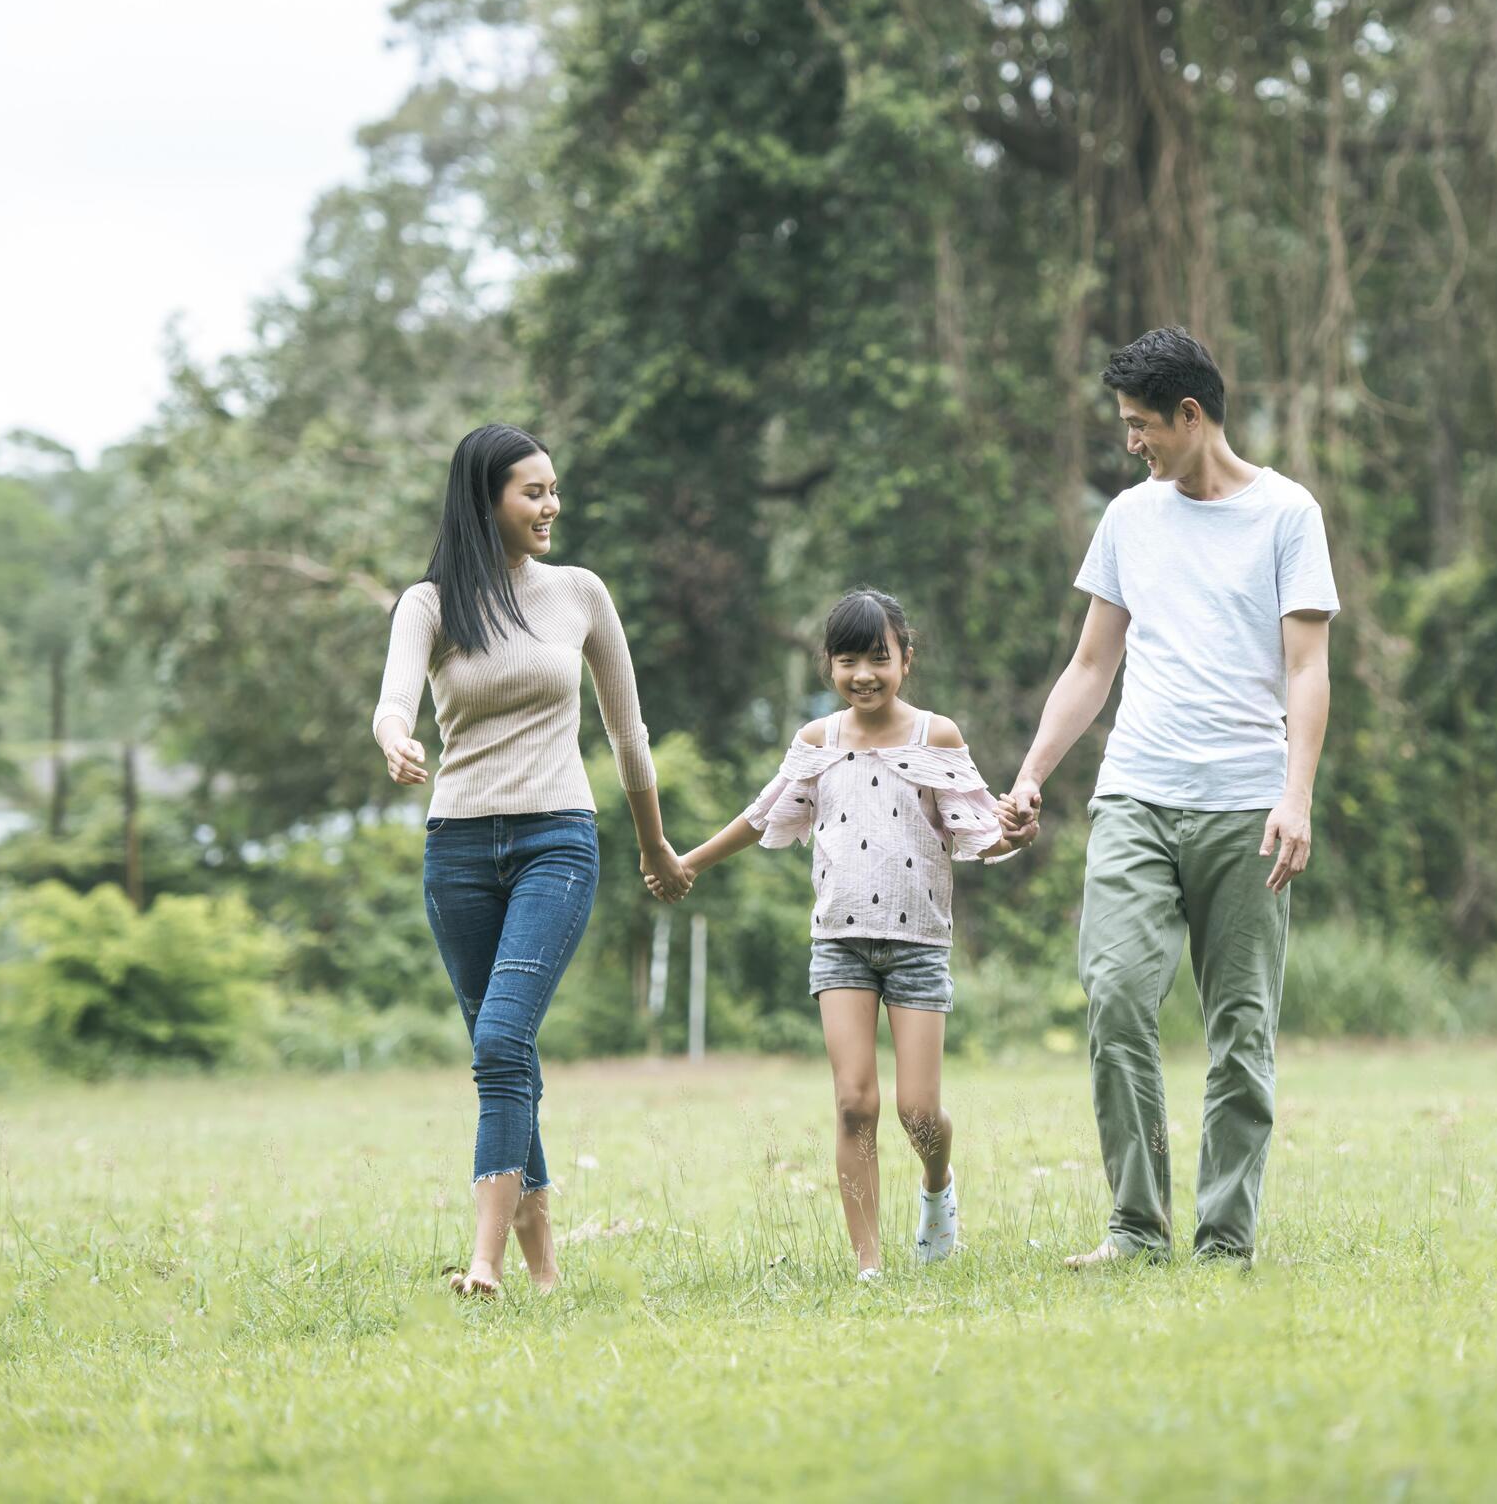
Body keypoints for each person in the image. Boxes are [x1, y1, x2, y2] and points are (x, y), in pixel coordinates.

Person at [998, 328, 1336, 1268]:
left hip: (1243, 804)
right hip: (1136, 795)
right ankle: (1136, 1228)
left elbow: (1306, 667)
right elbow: (1091, 662)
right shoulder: (1129, 518)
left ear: (1192, 416)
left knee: (1240, 1030)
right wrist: (1030, 773)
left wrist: (1295, 796)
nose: (1131, 442)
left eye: (1142, 425)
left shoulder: (1286, 514)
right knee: (1113, 994)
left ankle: (1224, 1239)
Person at [372, 422, 689, 1298]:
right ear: (487, 500)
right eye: (533, 492)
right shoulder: (430, 605)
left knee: (502, 1039)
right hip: (458, 847)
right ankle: (546, 1272)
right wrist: (395, 738)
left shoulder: (579, 593)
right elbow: (394, 699)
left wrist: (652, 839)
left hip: (558, 836)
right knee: (503, 1053)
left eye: (553, 489)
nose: (552, 506)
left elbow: (628, 732)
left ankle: (484, 1262)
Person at [662, 588, 1029, 1280]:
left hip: (918, 942)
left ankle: (936, 1187)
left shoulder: (935, 737)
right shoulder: (817, 743)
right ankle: (868, 1262)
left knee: (918, 1112)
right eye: (847, 659)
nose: (863, 673)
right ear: (827, 665)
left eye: (878, 658)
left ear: (905, 660)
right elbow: (761, 814)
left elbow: (980, 832)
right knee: (854, 1102)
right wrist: (690, 861)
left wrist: (1016, 834)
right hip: (839, 942)